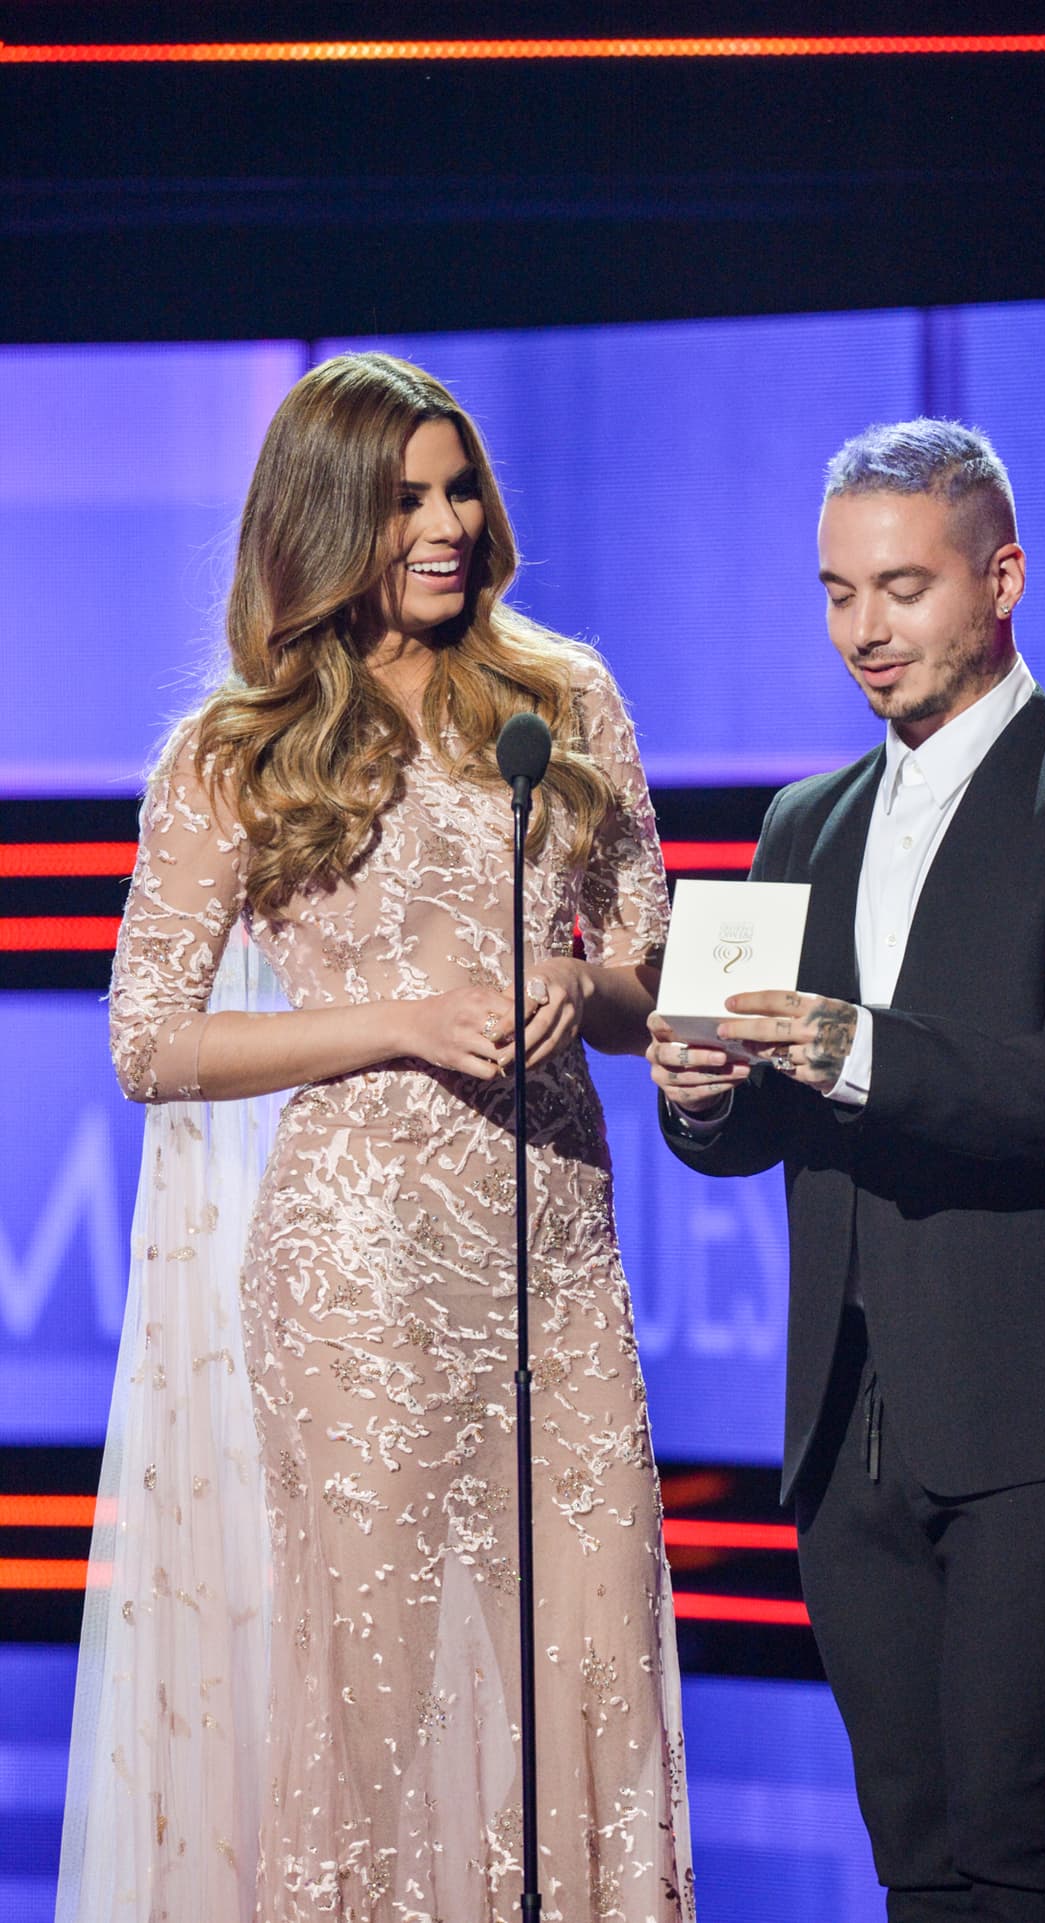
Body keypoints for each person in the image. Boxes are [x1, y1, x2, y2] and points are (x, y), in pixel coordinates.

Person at [57, 352, 693, 1923]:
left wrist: (581, 983)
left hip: (554, 1254)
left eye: (459, 487)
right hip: (361, 1285)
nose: (445, 524)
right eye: (405, 498)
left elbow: (654, 979)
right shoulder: (234, 753)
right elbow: (150, 1041)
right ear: (327, 520)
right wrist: (402, 1019)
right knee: (387, 1694)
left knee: (594, 1659)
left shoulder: (563, 697)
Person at [649, 419, 1045, 1922]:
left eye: (901, 589)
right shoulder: (800, 824)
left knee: (1012, 1843)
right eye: (837, 594)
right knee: (917, 1860)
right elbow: (753, 1123)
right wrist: (702, 1096)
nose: (864, 631)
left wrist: (858, 1047)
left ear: (1002, 577)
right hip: (850, 1426)